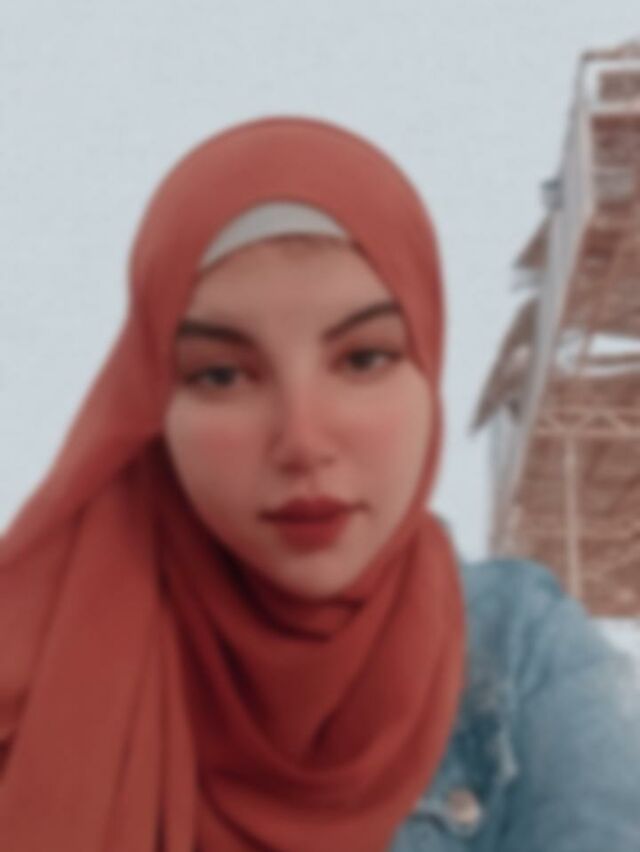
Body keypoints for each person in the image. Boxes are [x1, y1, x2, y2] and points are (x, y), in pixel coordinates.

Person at [0, 116, 638, 852]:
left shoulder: (522, 658)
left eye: (363, 359)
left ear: (428, 367)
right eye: (222, 375)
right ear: (151, 406)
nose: (302, 442)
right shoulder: (32, 676)